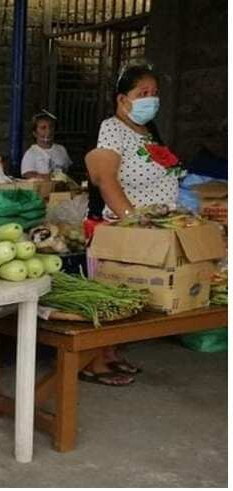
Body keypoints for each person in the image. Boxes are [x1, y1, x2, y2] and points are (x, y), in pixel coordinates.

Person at [83, 63, 179, 387]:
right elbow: (106, 179)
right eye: (143, 94)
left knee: (132, 294)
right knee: (111, 293)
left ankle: (111, 354)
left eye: (154, 94)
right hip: (123, 230)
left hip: (150, 229)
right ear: (123, 99)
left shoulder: (149, 132)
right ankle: (94, 361)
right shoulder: (112, 128)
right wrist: (131, 220)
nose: (151, 99)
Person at [21, 109, 72, 179]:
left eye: (51, 127)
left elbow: (67, 170)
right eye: (43, 128)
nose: (48, 131)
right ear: (35, 133)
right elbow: (27, 174)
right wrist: (50, 177)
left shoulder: (62, 149)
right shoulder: (31, 153)